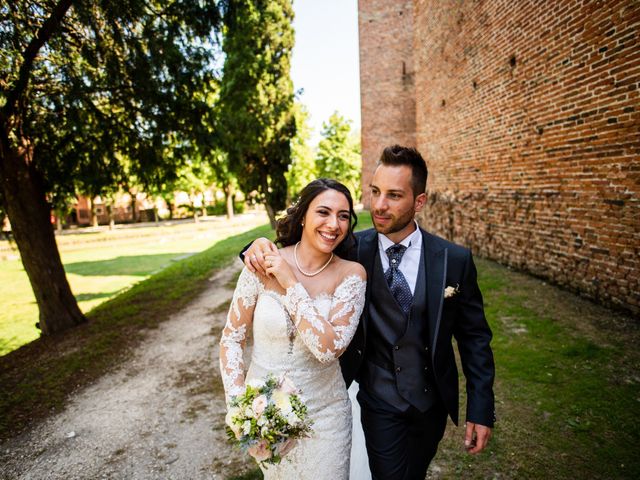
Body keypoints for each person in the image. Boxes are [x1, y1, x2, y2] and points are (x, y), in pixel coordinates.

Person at [244, 145, 496, 479]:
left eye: (393, 195)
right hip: (379, 400)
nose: (378, 205)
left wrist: (481, 409)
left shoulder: (454, 260)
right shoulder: (352, 248)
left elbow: (475, 338)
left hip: (430, 404)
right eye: (375, 192)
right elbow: (299, 252)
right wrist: (255, 248)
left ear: (418, 202)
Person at [219, 178, 367, 479]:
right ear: (302, 216)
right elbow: (231, 339)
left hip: (325, 419)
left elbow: (327, 350)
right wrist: (240, 407)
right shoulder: (260, 265)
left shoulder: (351, 276)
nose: (333, 224)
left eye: (342, 216)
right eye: (323, 212)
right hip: (266, 417)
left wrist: (290, 283)